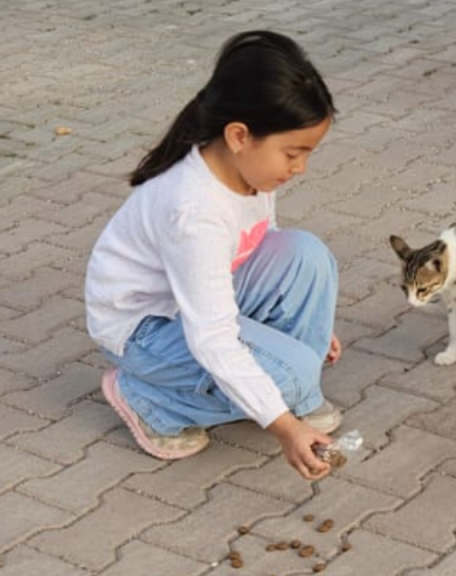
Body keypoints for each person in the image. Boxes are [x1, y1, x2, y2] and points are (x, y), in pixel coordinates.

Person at [85, 30, 343, 480]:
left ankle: (279, 388)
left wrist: (310, 316)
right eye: (293, 153)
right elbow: (212, 338)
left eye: (307, 154)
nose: (300, 168)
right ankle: (148, 401)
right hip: (144, 330)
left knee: (306, 254)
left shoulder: (249, 174)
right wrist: (282, 426)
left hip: (194, 305)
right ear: (240, 135)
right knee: (297, 372)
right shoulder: (194, 211)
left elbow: (263, 240)